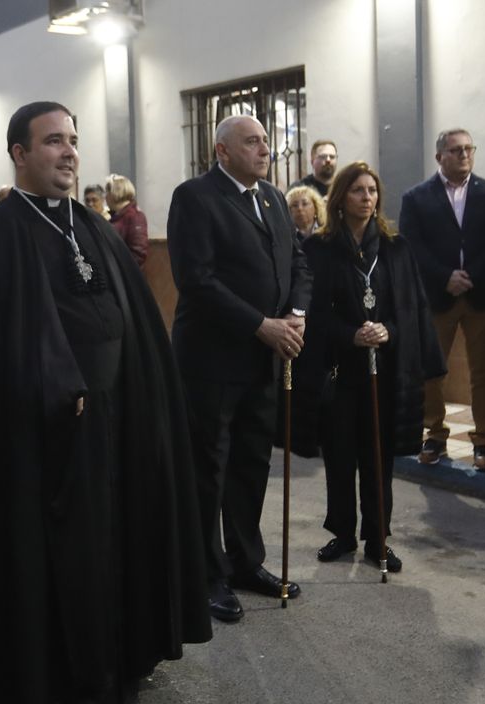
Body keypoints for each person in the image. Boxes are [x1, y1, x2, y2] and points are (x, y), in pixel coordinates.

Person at [0, 100, 210, 704]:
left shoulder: (94, 227)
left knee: (116, 545)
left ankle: (116, 664)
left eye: (73, 140)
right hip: (42, 442)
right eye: (53, 141)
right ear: (19, 154)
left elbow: (133, 324)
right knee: (54, 562)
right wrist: (52, 385)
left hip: (115, 427)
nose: (70, 152)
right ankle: (44, 686)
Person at [167, 115, 311, 624]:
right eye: (253, 142)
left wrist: (295, 315)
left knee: (251, 463)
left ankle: (246, 562)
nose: (265, 148)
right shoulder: (195, 197)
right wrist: (260, 324)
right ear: (223, 151)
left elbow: (298, 264)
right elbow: (197, 280)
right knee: (210, 468)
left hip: (264, 360)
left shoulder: (272, 198)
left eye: (266, 141)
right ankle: (208, 575)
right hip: (211, 360)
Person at [296, 162, 445, 573]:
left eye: (373, 190)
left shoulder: (397, 248)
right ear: (340, 197)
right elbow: (311, 313)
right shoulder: (319, 250)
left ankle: (378, 537)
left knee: (378, 459)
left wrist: (387, 331)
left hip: (385, 371)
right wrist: (350, 335)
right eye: (359, 190)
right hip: (339, 372)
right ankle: (342, 533)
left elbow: (410, 310)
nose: (368, 197)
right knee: (341, 456)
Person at [398, 128, 485, 472]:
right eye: (455, 150)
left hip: (482, 295)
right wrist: (445, 276)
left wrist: (471, 274)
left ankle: (483, 441)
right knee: (431, 370)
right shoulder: (417, 197)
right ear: (439, 157)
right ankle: (435, 433)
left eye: (468, 149)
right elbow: (410, 245)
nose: (464, 155)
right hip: (437, 296)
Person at [105, 174, 149, 267]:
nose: (105, 197)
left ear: (115, 192)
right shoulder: (117, 216)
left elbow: (138, 254)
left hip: (126, 275)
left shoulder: (135, 216)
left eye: (107, 192)